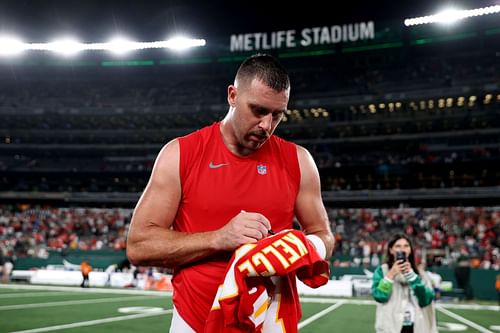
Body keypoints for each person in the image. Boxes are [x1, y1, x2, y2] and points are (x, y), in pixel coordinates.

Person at [126, 53, 335, 333]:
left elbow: (324, 235)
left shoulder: (300, 161)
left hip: (268, 320)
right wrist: (219, 238)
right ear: (232, 95)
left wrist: (300, 247)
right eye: (258, 110)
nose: (266, 125)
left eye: (277, 115)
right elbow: (138, 246)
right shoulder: (180, 154)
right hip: (194, 321)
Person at [371, 234, 437, 333]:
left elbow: (426, 300)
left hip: (416, 326)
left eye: (406, 246)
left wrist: (412, 276)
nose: (402, 249)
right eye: (398, 246)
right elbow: (379, 296)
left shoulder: (420, 274)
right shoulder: (382, 271)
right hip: (391, 326)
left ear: (410, 250)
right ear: (391, 250)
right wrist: (391, 275)